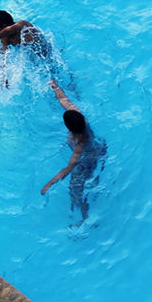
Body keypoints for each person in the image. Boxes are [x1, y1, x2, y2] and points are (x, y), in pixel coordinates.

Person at [40, 79, 106, 222]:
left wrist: (50, 184)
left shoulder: (80, 145)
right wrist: (54, 87)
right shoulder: (78, 114)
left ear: (69, 128)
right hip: (99, 146)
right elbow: (64, 99)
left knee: (75, 190)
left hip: (88, 159)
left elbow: (68, 168)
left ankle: (84, 217)